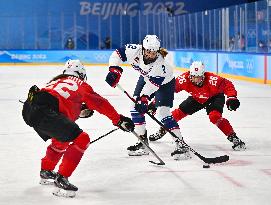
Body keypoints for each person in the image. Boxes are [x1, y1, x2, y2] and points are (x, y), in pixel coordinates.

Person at [22, 59, 134, 198]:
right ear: (81, 74)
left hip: (29, 108)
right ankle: (61, 178)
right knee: (82, 139)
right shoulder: (81, 84)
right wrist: (118, 120)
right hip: (45, 111)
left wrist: (78, 109)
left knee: (62, 138)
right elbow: (100, 103)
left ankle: (46, 170)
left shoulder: (56, 81)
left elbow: (61, 105)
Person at [105, 35, 191, 160]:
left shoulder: (161, 65)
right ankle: (143, 143)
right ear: (143, 48)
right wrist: (114, 70)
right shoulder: (134, 50)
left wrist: (144, 98)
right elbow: (117, 54)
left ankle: (181, 145)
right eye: (149, 51)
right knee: (134, 108)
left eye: (154, 52)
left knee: (163, 113)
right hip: (146, 78)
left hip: (165, 83)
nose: (151, 55)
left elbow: (152, 86)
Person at [149, 61, 246, 151]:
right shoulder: (183, 79)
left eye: (198, 77)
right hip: (197, 98)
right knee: (176, 115)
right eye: (193, 76)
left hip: (214, 97)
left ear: (203, 75)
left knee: (214, 117)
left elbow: (227, 85)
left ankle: (233, 137)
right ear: (189, 74)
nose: (195, 80)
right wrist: (155, 103)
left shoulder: (213, 79)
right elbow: (167, 91)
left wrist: (232, 98)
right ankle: (163, 129)